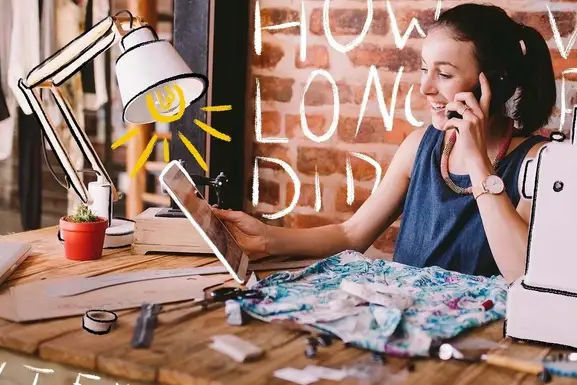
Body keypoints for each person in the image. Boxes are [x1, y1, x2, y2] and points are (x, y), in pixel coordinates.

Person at [213, 3, 556, 282]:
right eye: (425, 69)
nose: (426, 88)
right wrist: (265, 238)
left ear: (492, 83)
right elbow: (352, 235)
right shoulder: (421, 145)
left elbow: (520, 273)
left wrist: (478, 161)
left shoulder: (537, 162)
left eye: (445, 74)